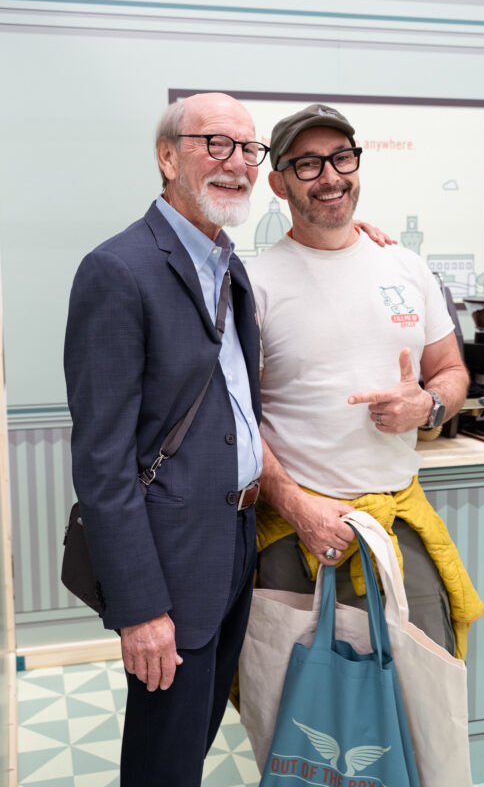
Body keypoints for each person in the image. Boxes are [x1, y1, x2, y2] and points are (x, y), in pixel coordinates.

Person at [64, 92, 266, 787]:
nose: (236, 163)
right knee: (163, 762)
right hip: (170, 563)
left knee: (196, 738)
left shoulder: (229, 265)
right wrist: (141, 607)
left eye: (248, 148)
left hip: (236, 541)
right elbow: (102, 463)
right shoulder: (118, 269)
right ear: (168, 157)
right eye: (216, 143)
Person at [246, 103, 484, 660]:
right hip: (297, 530)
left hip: (397, 520)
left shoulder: (406, 266)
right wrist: (298, 508)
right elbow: (235, 419)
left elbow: (451, 372)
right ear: (279, 184)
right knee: (296, 695)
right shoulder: (253, 284)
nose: (330, 176)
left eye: (341, 158)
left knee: (424, 683)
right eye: (308, 164)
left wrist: (428, 405)